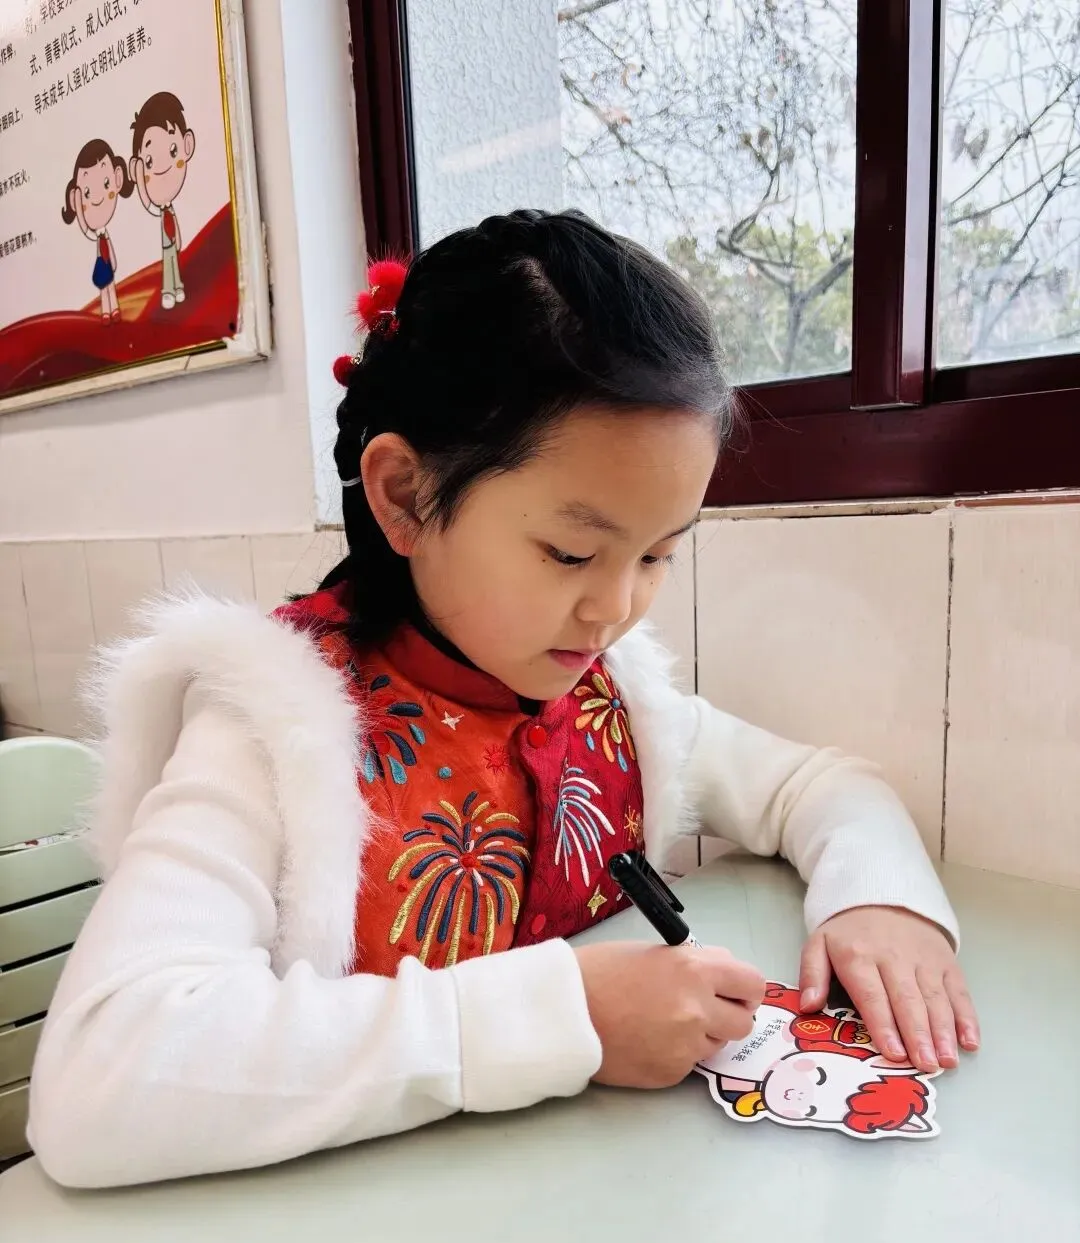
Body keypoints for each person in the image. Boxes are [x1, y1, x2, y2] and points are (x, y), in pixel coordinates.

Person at [28, 210, 979, 1189]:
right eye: (570, 552)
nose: (614, 608)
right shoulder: (274, 727)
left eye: (657, 553)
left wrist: (877, 897)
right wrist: (566, 1014)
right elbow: (101, 1078)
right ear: (404, 495)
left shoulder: (612, 704)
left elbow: (818, 786)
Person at [129, 91, 196, 310]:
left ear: (187, 145)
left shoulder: (170, 208)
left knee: (174, 263)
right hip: (166, 244)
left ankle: (178, 287)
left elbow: (173, 223)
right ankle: (169, 290)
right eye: (149, 162)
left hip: (171, 242)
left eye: (173, 150)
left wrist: (179, 240)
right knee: (168, 265)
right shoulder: (159, 208)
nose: (161, 167)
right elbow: (149, 204)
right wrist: (141, 181)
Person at [61, 138, 134, 323]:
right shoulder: (96, 235)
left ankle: (114, 309)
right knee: (104, 288)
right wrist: (79, 208)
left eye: (106, 183)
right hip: (102, 265)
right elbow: (86, 231)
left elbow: (109, 248)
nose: (97, 198)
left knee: (111, 287)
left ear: (118, 179)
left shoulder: (105, 235)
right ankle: (106, 312)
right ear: (75, 200)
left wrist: (114, 262)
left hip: (108, 263)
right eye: (87, 193)